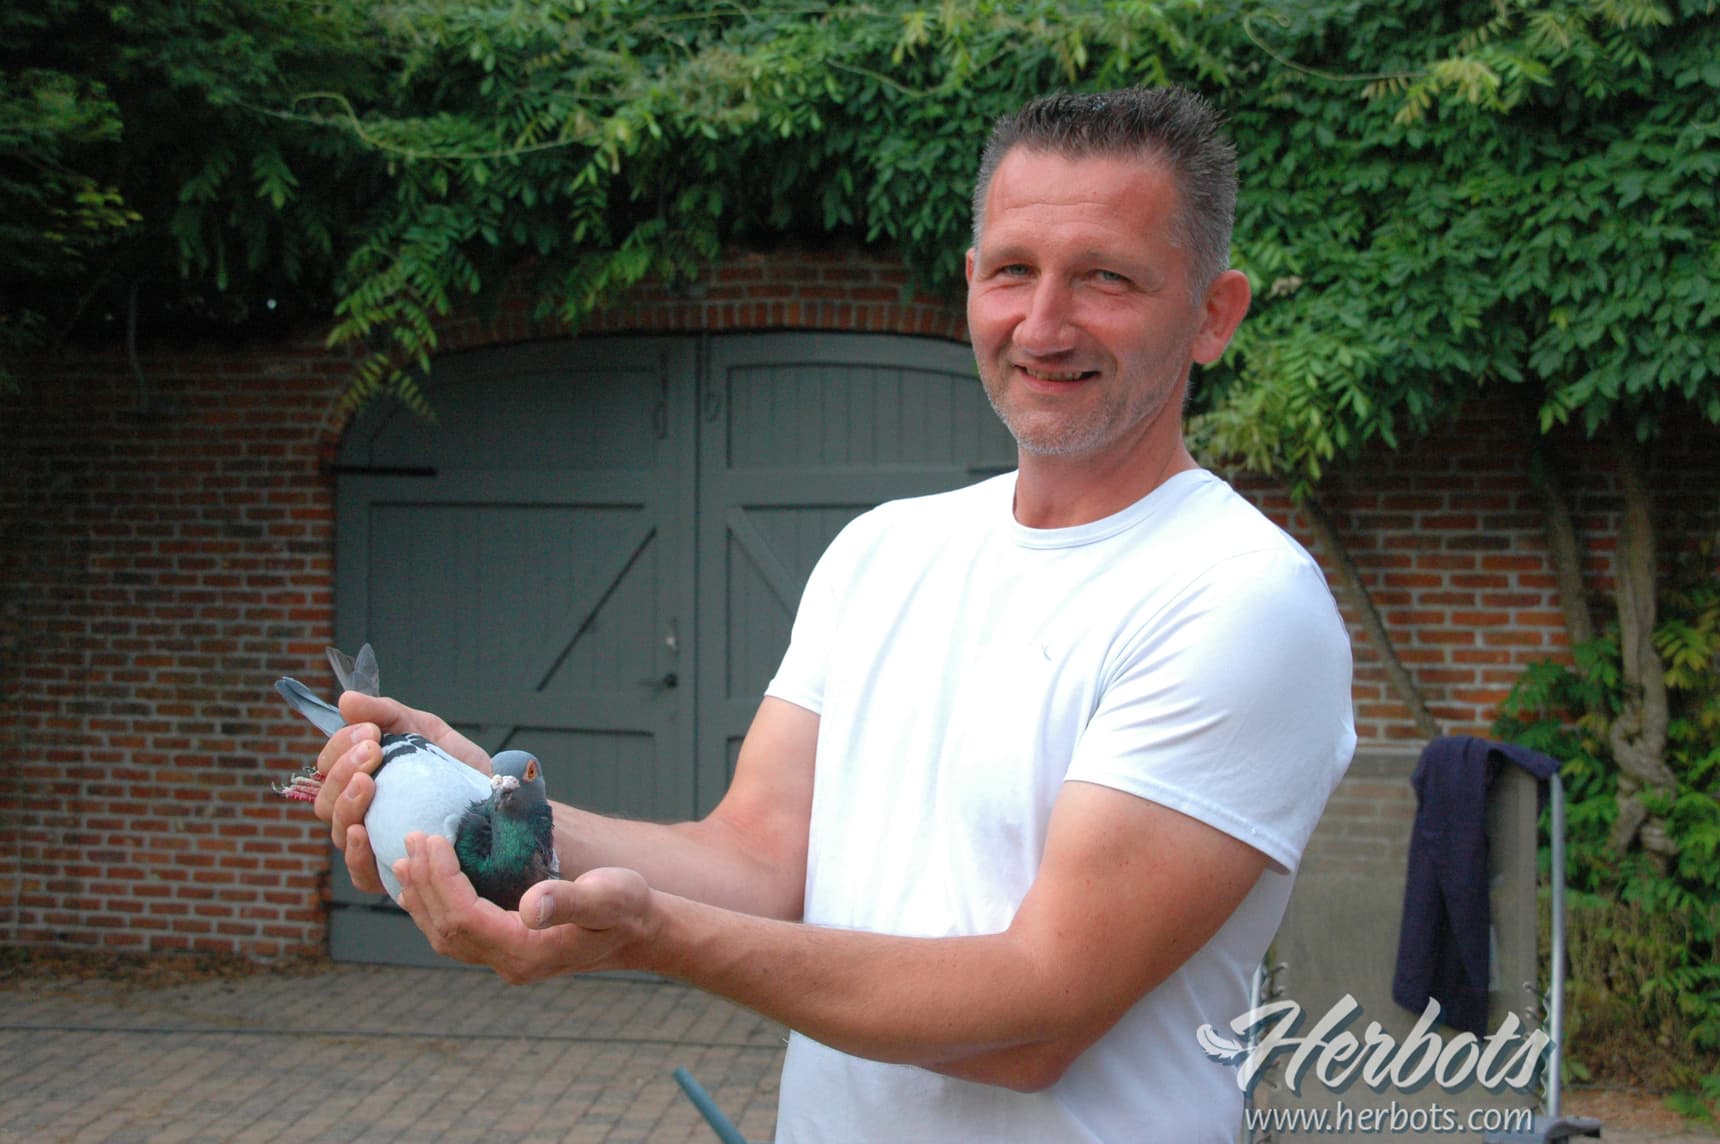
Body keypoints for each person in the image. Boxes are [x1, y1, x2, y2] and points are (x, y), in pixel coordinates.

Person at [309, 86, 1356, 1142]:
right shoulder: (882, 551)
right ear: (971, 282)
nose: (1043, 324)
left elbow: (1034, 1018)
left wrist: (652, 935)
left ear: (1213, 314)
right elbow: (759, 862)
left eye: (1106, 277)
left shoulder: (1236, 599)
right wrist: (493, 805)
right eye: (1012, 271)